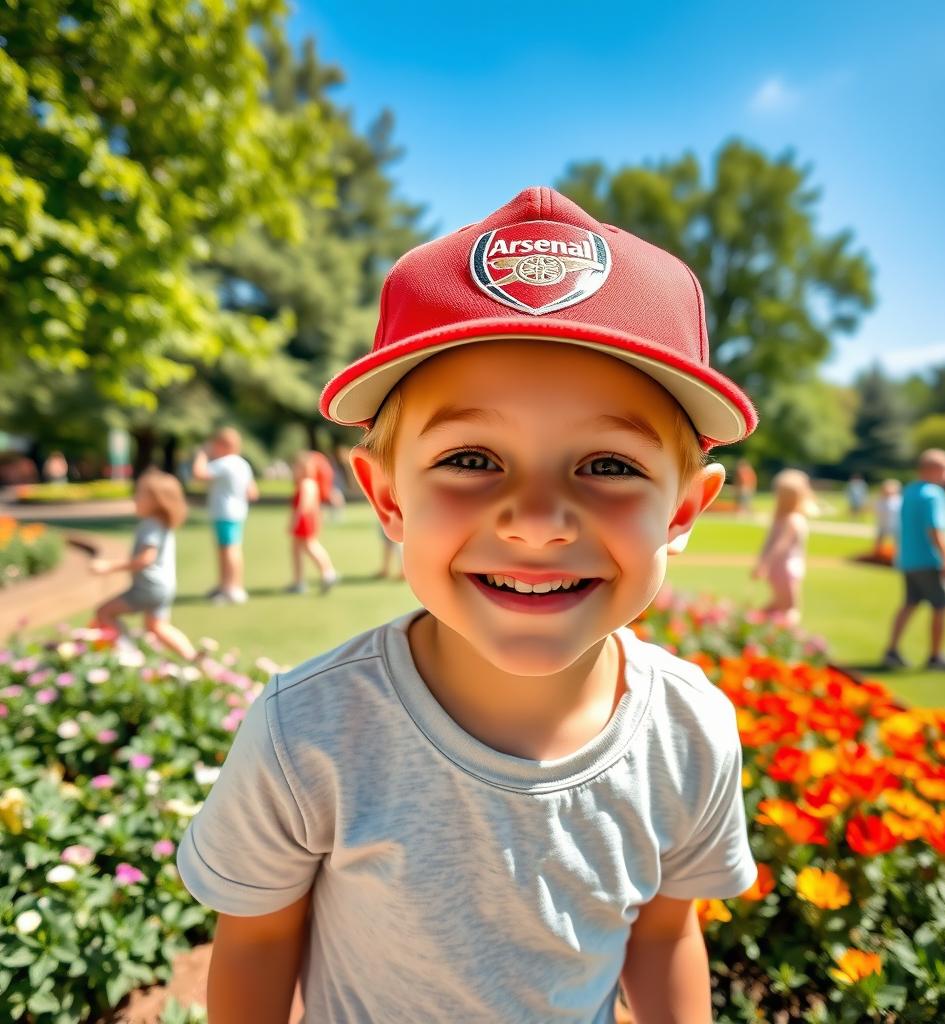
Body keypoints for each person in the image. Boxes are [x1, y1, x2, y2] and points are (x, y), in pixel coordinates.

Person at [177, 187, 760, 1023]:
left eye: (607, 466)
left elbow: (665, 937)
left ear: (681, 513)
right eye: (472, 456)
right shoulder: (307, 732)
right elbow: (260, 943)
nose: (534, 521)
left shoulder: (691, 730)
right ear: (386, 500)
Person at [89, 469, 196, 661]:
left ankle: (128, 655)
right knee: (157, 626)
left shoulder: (151, 525)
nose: (135, 498)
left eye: (140, 494)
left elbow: (146, 559)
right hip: (164, 587)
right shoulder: (162, 523)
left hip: (149, 587)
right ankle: (194, 658)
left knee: (104, 612)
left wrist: (109, 567)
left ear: (156, 500)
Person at [883, 448, 945, 673]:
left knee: (909, 603)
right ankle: (936, 657)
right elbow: (935, 530)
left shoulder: (909, 491)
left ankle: (891, 651)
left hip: (908, 559)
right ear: (933, 469)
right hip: (928, 560)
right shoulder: (933, 494)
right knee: (941, 606)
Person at [191, 427, 258, 605]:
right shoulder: (242, 463)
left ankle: (232, 589)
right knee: (227, 549)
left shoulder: (225, 462)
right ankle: (226, 585)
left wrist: (202, 454)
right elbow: (252, 492)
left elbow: (198, 473)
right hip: (237, 512)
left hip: (225, 512)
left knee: (229, 550)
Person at [752, 469, 816, 627]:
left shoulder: (780, 519)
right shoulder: (794, 519)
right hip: (788, 568)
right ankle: (789, 636)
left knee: (778, 604)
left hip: (778, 568)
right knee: (791, 609)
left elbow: (769, 544)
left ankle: (753, 620)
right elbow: (781, 545)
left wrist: (763, 563)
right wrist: (764, 564)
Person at [285, 450, 339, 595]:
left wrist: (295, 520)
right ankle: (298, 581)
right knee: (297, 548)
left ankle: (328, 572)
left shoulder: (306, 483)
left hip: (305, 520)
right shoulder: (309, 483)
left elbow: (305, 505)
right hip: (307, 519)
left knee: (309, 546)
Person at [873, 478, 902, 558]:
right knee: (879, 539)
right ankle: (877, 555)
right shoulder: (880, 500)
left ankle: (898, 556)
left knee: (898, 541)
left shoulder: (898, 500)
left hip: (896, 524)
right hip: (883, 524)